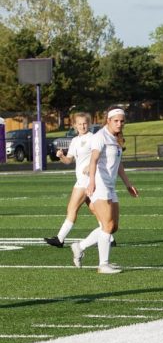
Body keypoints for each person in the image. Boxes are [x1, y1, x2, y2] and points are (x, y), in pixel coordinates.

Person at [71, 108, 139, 274]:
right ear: (108, 121)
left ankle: (79, 246)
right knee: (107, 225)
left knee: (113, 226)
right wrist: (92, 182)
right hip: (99, 184)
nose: (119, 124)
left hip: (110, 185)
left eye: (122, 121)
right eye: (116, 121)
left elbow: (119, 164)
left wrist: (128, 184)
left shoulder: (117, 138)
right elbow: (93, 161)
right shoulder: (100, 136)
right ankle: (103, 265)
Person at [44, 112, 101, 248]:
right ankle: (109, 236)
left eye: (85, 123)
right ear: (75, 125)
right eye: (79, 124)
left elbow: (100, 155)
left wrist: (90, 165)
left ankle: (60, 238)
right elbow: (69, 160)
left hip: (86, 179)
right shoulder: (75, 141)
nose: (82, 126)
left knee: (72, 208)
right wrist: (61, 156)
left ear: (89, 124)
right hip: (81, 178)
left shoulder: (93, 138)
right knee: (95, 209)